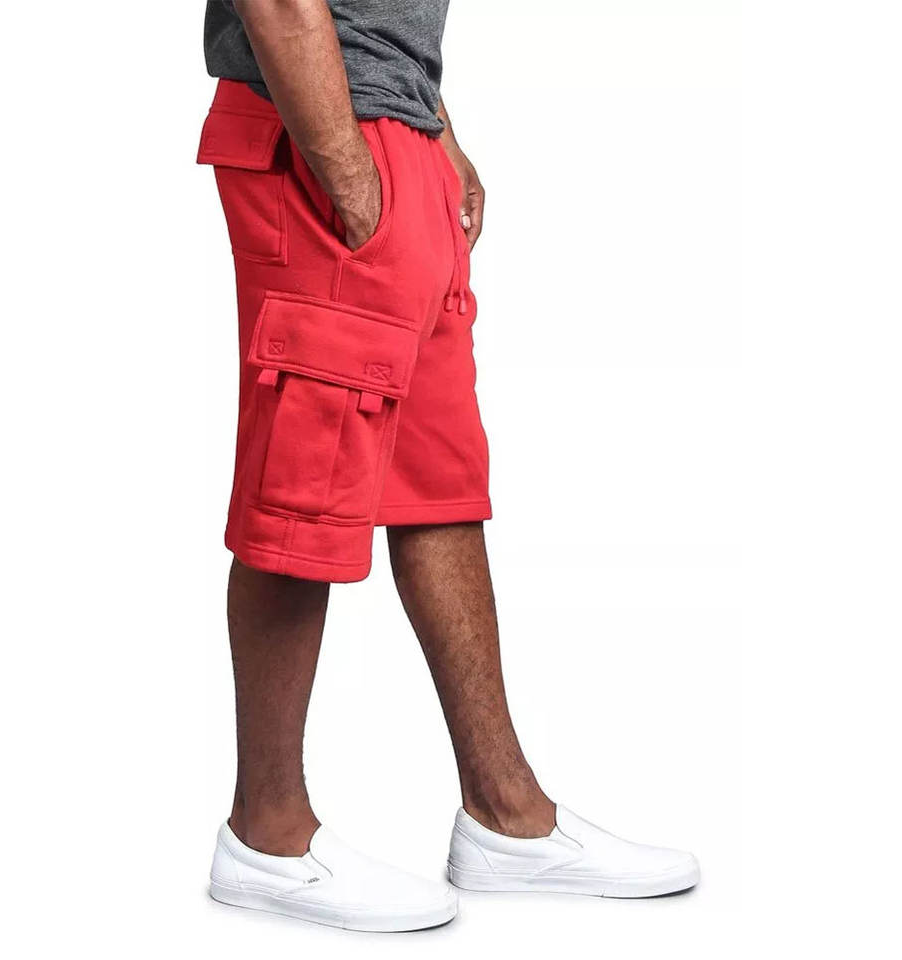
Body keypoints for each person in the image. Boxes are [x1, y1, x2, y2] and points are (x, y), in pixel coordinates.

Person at [199, 0, 699, 932]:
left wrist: (435, 131)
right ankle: (266, 835)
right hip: (318, 135)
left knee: (438, 483)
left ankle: (504, 816)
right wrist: (350, 171)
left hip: (391, 135)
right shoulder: (338, 158)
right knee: (304, 490)